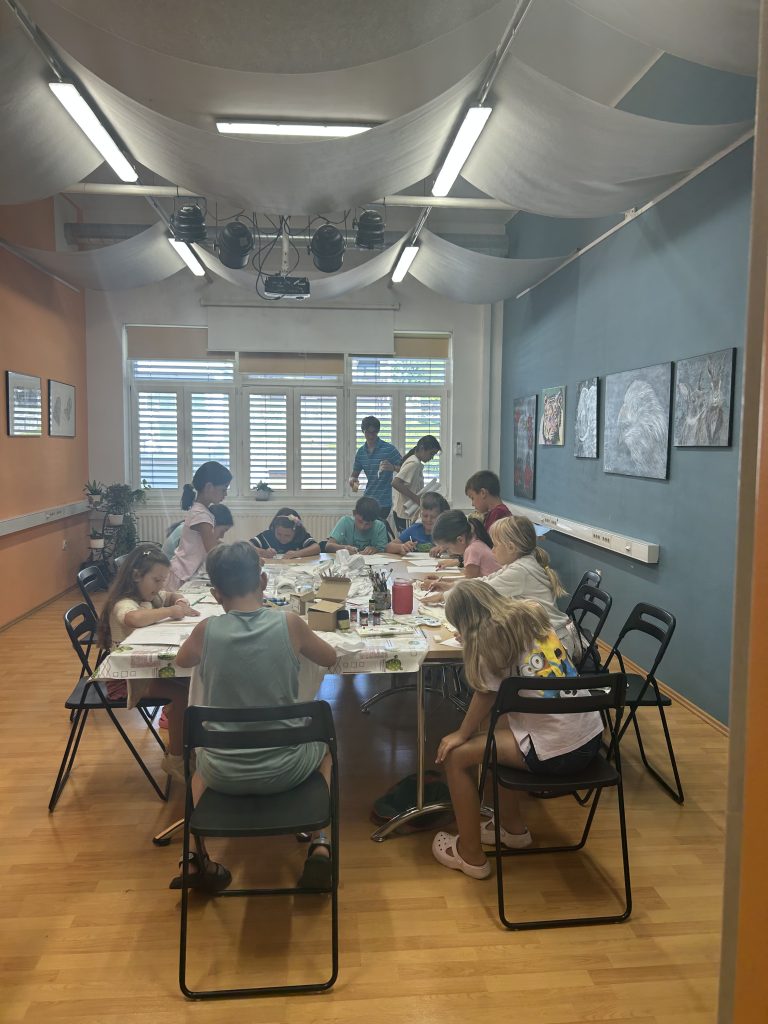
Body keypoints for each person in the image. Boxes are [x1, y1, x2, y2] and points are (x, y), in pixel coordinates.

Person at [174, 542, 337, 891]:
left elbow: (182, 660)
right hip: (287, 767)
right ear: (263, 581)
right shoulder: (290, 624)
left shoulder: (205, 630)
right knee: (325, 748)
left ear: (216, 594)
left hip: (222, 772)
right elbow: (329, 657)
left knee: (199, 766)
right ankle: (320, 843)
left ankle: (193, 856)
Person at [432, 582, 603, 880]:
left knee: (456, 756)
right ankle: (512, 829)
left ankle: (470, 855)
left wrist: (460, 734)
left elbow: (485, 693)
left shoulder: (489, 639)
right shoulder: (531, 614)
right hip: (589, 736)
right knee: (493, 726)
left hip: (558, 752)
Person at [96, 546, 199, 780]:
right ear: (136, 576)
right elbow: (133, 618)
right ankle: (176, 759)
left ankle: (186, 742)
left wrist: (179, 600)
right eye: (156, 580)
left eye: (163, 579)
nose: (160, 585)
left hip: (146, 672)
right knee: (180, 693)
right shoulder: (124, 603)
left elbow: (170, 595)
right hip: (126, 680)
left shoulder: (150, 596)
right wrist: (170, 611)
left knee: (190, 683)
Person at [486, 515, 581, 660]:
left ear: (511, 547)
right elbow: (487, 580)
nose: (492, 550)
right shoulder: (521, 563)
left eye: (495, 545)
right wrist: (453, 585)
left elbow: (483, 590)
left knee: (493, 656)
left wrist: (451, 592)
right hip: (547, 638)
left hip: (552, 646)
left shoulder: (520, 570)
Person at [167, 461, 232, 589]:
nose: (225, 494)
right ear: (209, 487)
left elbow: (213, 542)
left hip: (183, 572)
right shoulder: (201, 515)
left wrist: (238, 550)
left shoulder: (200, 511)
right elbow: (212, 551)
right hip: (181, 575)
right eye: (223, 489)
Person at [421, 511, 500, 596]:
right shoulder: (475, 543)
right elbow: (468, 580)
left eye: (447, 548)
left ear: (460, 540)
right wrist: (441, 580)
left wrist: (441, 585)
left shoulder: (472, 550)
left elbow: (467, 586)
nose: (449, 553)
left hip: (492, 596)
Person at [348, 416, 402, 522]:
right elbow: (354, 476)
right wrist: (353, 483)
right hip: (367, 499)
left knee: (377, 526)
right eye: (368, 432)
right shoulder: (361, 452)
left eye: (374, 432)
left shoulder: (389, 449)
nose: (371, 435)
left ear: (378, 431)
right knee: (366, 527)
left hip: (384, 502)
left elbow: (405, 469)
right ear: (363, 431)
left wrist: (393, 468)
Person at [391, 435, 442, 533]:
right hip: (405, 514)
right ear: (422, 448)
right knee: (408, 541)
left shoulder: (414, 461)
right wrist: (417, 499)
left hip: (405, 512)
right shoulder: (414, 463)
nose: (431, 458)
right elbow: (396, 483)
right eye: (431, 454)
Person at [162, 504, 233, 559]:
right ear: (212, 524)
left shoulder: (198, 527)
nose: (222, 536)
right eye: (222, 531)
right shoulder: (189, 533)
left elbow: (216, 543)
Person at [250, 507, 321, 560]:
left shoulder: (300, 535)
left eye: (287, 535)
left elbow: (316, 548)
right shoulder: (268, 535)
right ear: (274, 528)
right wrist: (263, 552)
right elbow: (248, 546)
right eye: (279, 534)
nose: (282, 538)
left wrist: (297, 553)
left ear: (296, 531)